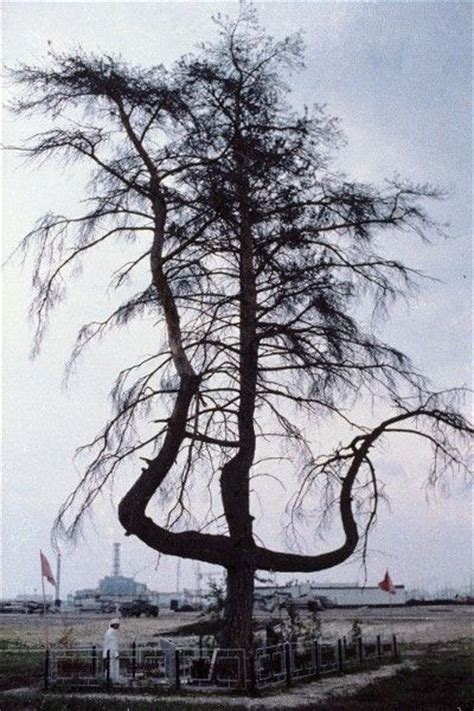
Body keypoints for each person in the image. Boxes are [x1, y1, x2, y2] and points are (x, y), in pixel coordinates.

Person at [103, 618, 121, 682]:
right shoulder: (111, 633)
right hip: (111, 654)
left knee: (111, 667)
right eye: (117, 624)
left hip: (110, 653)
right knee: (112, 668)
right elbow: (112, 645)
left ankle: (111, 679)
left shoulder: (111, 632)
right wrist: (116, 653)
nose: (119, 626)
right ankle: (112, 680)